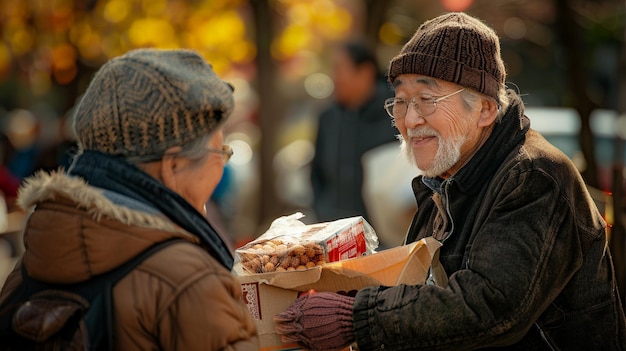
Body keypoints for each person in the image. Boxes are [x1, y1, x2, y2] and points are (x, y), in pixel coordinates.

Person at [274, 12, 626, 350]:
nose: (410, 120)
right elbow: (420, 289)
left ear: (485, 109)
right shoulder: (444, 178)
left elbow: (489, 305)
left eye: (427, 100)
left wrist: (356, 316)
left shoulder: (533, 176)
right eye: (400, 102)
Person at [0, 48, 259, 350]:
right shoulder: (187, 279)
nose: (222, 165)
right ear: (173, 165)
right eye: (221, 151)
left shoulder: (34, 259)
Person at [310, 39, 397, 223]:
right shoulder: (328, 117)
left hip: (383, 235)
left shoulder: (395, 112)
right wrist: (321, 211)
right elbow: (317, 173)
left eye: (340, 69)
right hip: (333, 229)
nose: (335, 77)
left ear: (365, 72)